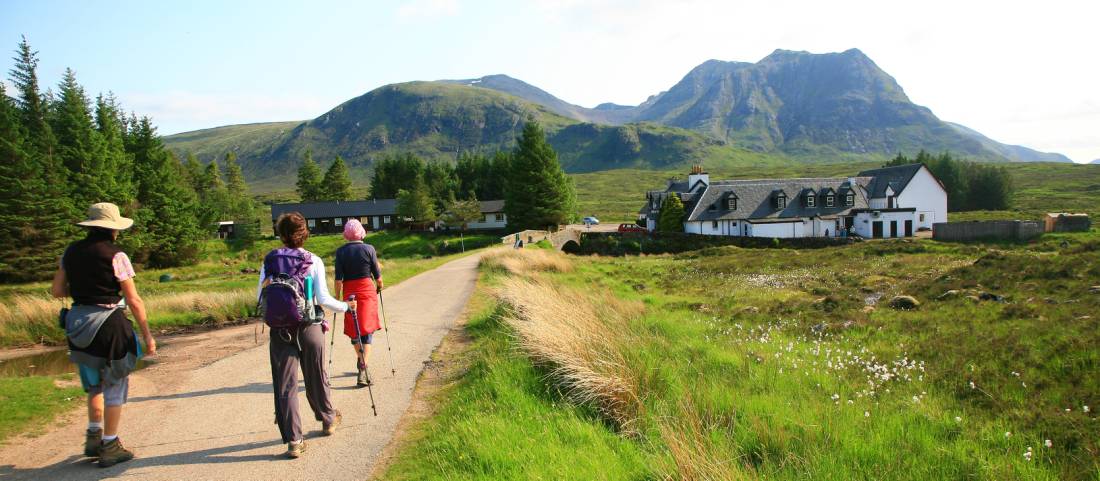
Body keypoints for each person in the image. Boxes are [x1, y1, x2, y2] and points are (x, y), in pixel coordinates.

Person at [50, 202, 156, 468]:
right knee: (115, 384)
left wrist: (82, 286)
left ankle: (93, 435)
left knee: (94, 384)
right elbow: (133, 299)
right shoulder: (116, 255)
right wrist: (147, 335)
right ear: (113, 229)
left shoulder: (70, 252)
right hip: (109, 325)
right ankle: (110, 445)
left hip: (78, 324)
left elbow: (57, 291)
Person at [258, 212, 349, 459]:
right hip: (310, 327)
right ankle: (328, 420)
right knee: (317, 375)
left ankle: (294, 441)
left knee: (285, 384)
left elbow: (260, 296)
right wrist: (346, 307)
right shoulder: (313, 260)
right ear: (304, 233)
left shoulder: (269, 260)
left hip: (280, 330)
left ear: (281, 234)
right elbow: (322, 299)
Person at [333, 219, 383, 388]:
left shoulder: (340, 252)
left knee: (355, 330)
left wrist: (337, 297)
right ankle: (363, 367)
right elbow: (378, 275)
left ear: (346, 234)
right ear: (362, 232)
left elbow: (338, 279)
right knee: (367, 329)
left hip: (350, 292)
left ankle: (361, 362)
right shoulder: (369, 249)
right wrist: (379, 286)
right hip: (367, 291)